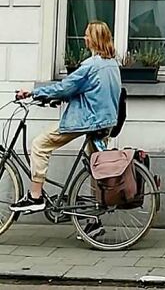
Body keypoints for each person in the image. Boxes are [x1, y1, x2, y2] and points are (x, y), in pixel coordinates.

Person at [12, 20, 121, 214]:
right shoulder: (112, 64)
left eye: (87, 34)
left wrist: (32, 93)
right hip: (106, 121)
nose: (84, 38)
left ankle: (35, 197)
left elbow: (65, 87)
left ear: (94, 39)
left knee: (40, 145)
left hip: (88, 121)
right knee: (95, 168)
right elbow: (91, 90)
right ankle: (92, 221)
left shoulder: (91, 66)